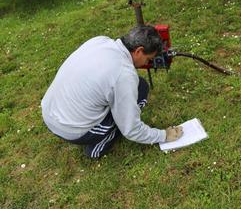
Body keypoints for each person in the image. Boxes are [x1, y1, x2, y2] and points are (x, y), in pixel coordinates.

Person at [41, 25, 183, 159]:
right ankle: (97, 147)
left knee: (141, 86)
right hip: (71, 128)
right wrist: (163, 135)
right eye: (148, 59)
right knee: (125, 115)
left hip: (49, 112)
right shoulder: (123, 74)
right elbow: (131, 129)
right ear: (139, 51)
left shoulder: (100, 41)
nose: (147, 63)